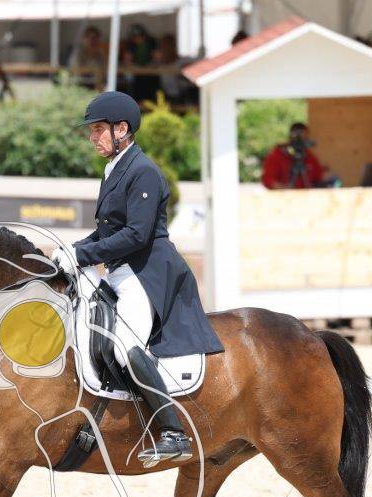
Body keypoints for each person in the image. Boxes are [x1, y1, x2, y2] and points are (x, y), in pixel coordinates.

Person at [50, 91, 224, 465]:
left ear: (122, 129)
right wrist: (71, 250)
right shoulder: (116, 169)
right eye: (92, 130)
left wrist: (83, 255)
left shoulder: (143, 171)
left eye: (98, 129)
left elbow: (136, 235)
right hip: (121, 272)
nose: (92, 137)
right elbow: (107, 232)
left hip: (148, 273)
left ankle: (174, 433)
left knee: (124, 345)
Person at [261, 123, 326, 189]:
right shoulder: (278, 155)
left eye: (303, 138)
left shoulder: (309, 156)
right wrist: (287, 189)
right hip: (284, 194)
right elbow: (268, 180)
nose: (299, 141)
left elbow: (318, 178)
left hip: (306, 194)